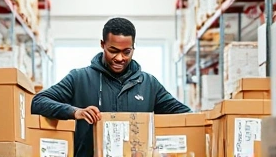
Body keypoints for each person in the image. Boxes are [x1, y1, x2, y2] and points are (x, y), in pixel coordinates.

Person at [31, 17, 192, 156]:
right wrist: (75, 112)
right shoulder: (79, 78)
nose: (120, 58)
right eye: (113, 51)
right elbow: (38, 102)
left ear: (133, 48)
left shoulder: (149, 85)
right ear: (102, 44)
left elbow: (187, 117)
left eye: (126, 51)